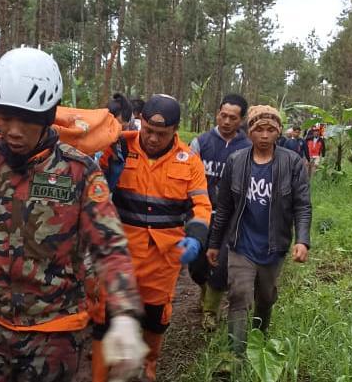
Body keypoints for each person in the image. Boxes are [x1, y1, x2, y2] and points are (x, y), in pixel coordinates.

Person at [0, 47, 146, 382]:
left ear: (48, 116)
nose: (13, 130)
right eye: (6, 116)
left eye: (26, 119)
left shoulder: (79, 172)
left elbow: (109, 246)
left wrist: (124, 314)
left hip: (54, 331)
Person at [93, 94, 212, 381]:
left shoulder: (190, 162)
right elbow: (92, 178)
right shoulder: (119, 146)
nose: (153, 138)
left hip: (163, 258)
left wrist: (196, 236)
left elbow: (202, 206)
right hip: (119, 253)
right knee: (104, 317)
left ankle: (147, 369)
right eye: (148, 130)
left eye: (162, 134)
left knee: (154, 319)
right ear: (140, 121)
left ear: (176, 130)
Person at [206, 105, 311, 356]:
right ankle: (235, 356)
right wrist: (214, 243)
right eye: (259, 130)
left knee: (265, 298)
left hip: (274, 246)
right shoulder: (236, 161)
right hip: (241, 243)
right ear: (250, 132)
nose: (264, 135)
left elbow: (302, 205)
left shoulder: (292, 163)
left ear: (278, 133)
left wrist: (302, 240)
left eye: (271, 130)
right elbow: (224, 208)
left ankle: (258, 340)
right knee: (239, 296)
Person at [188, 94, 251, 330]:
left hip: (231, 218)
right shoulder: (201, 143)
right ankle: (203, 291)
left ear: (241, 120)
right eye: (223, 115)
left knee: (221, 264)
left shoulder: (247, 148)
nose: (226, 121)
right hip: (200, 214)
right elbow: (186, 177)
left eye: (232, 118)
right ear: (217, 114)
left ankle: (210, 311)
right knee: (196, 266)